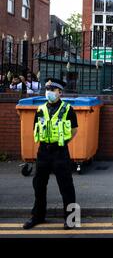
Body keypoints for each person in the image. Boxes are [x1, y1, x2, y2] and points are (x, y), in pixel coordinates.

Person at [23, 78, 78, 230]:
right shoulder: (40, 109)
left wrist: (63, 142)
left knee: (66, 186)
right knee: (39, 186)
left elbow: (74, 130)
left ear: (60, 92)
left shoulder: (68, 109)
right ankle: (38, 216)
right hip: (43, 152)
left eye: (52, 90)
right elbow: (37, 127)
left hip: (60, 152)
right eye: (47, 89)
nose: (49, 92)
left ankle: (71, 219)